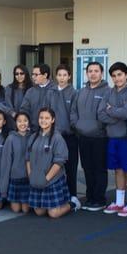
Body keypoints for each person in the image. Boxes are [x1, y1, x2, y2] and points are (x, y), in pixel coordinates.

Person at [99, 62, 127, 217]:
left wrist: (112, 111)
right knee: (118, 170)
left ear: (126, 75)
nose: (117, 78)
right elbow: (100, 114)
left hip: (126, 139)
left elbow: (126, 113)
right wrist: (117, 114)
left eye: (120, 75)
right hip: (112, 138)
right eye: (114, 76)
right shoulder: (109, 92)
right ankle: (120, 202)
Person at [70, 62, 110, 211]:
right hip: (83, 136)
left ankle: (99, 199)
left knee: (99, 168)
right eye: (90, 71)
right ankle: (90, 197)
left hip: (100, 137)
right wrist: (76, 125)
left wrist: (99, 127)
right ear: (86, 73)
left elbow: (106, 114)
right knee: (87, 168)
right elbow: (73, 111)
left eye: (96, 71)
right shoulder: (81, 92)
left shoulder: (108, 91)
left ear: (101, 73)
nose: (93, 74)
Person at [26, 107, 78, 218]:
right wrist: (31, 175)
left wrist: (46, 179)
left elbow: (59, 162)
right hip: (36, 180)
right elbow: (28, 159)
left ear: (53, 120)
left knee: (53, 214)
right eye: (41, 118)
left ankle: (72, 204)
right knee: (39, 212)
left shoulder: (57, 138)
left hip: (51, 181)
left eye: (47, 118)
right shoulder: (33, 137)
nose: (43, 120)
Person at [54, 64, 80, 209]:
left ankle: (73, 197)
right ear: (56, 76)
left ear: (69, 76)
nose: (62, 78)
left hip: (70, 136)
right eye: (59, 75)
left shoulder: (74, 93)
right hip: (54, 137)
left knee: (71, 168)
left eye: (65, 75)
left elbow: (74, 114)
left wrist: (72, 128)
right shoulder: (51, 92)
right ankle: (59, 195)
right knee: (55, 167)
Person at [0, 112, 32, 214]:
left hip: (27, 179)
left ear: (29, 123)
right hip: (15, 179)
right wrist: (4, 189)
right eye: (19, 121)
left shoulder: (32, 137)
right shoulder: (11, 139)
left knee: (25, 210)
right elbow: (6, 163)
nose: (22, 123)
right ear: (15, 123)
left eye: (25, 121)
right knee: (16, 210)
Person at [20, 64, 58, 132]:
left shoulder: (55, 90)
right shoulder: (30, 91)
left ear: (45, 75)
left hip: (51, 131)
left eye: (36, 75)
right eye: (32, 74)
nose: (33, 77)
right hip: (33, 130)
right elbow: (24, 109)